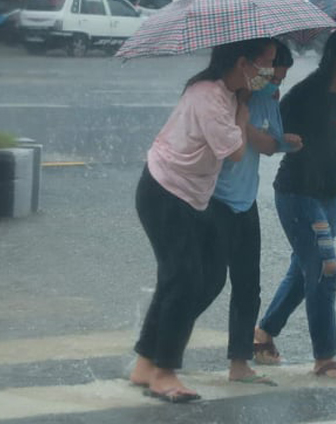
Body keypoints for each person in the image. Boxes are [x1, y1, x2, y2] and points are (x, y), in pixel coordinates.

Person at [129, 38, 278, 404]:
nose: (269, 72)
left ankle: (146, 361)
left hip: (190, 197)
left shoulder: (227, 94)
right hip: (165, 191)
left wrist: (245, 104)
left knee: (208, 278)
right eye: (265, 63)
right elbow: (236, 152)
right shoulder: (209, 96)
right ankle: (164, 372)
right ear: (243, 63)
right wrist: (242, 116)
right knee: (184, 278)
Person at [253, 26, 336, 379]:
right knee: (326, 268)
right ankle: (326, 358)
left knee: (306, 269)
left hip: (332, 196)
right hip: (299, 195)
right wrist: (284, 140)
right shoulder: (305, 95)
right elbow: (270, 135)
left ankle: (263, 334)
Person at [210, 40, 302, 386]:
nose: (274, 83)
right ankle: (161, 353)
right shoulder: (222, 96)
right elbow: (240, 142)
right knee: (204, 283)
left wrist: (280, 140)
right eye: (271, 74)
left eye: (279, 79)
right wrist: (244, 120)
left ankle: (240, 363)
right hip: (212, 199)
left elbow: (269, 144)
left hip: (244, 201)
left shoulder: (266, 98)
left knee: (248, 285)